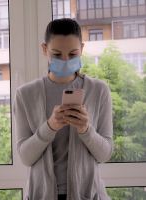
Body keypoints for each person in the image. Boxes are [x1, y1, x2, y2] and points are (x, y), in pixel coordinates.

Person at [12, 18, 114, 200]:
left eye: (73, 54)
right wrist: (50, 126)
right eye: (57, 55)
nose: (66, 60)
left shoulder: (99, 90)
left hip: (89, 195)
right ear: (45, 50)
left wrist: (86, 130)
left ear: (82, 49)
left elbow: (104, 154)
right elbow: (26, 158)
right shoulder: (25, 94)